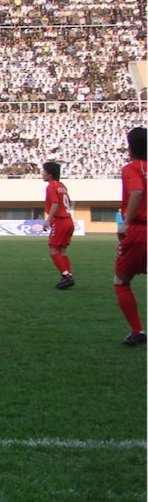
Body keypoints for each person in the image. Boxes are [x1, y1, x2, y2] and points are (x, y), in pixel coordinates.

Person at [115, 127, 147, 346]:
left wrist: (125, 223)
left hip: (139, 230)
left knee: (121, 280)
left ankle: (137, 331)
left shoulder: (131, 169)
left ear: (130, 148)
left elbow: (136, 192)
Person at [41, 162, 75, 289]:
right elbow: (69, 202)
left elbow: (55, 203)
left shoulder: (51, 187)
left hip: (60, 221)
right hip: (69, 221)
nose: (42, 173)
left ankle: (66, 276)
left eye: (44, 171)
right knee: (62, 251)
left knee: (53, 250)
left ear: (50, 174)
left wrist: (48, 220)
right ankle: (67, 275)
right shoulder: (62, 185)